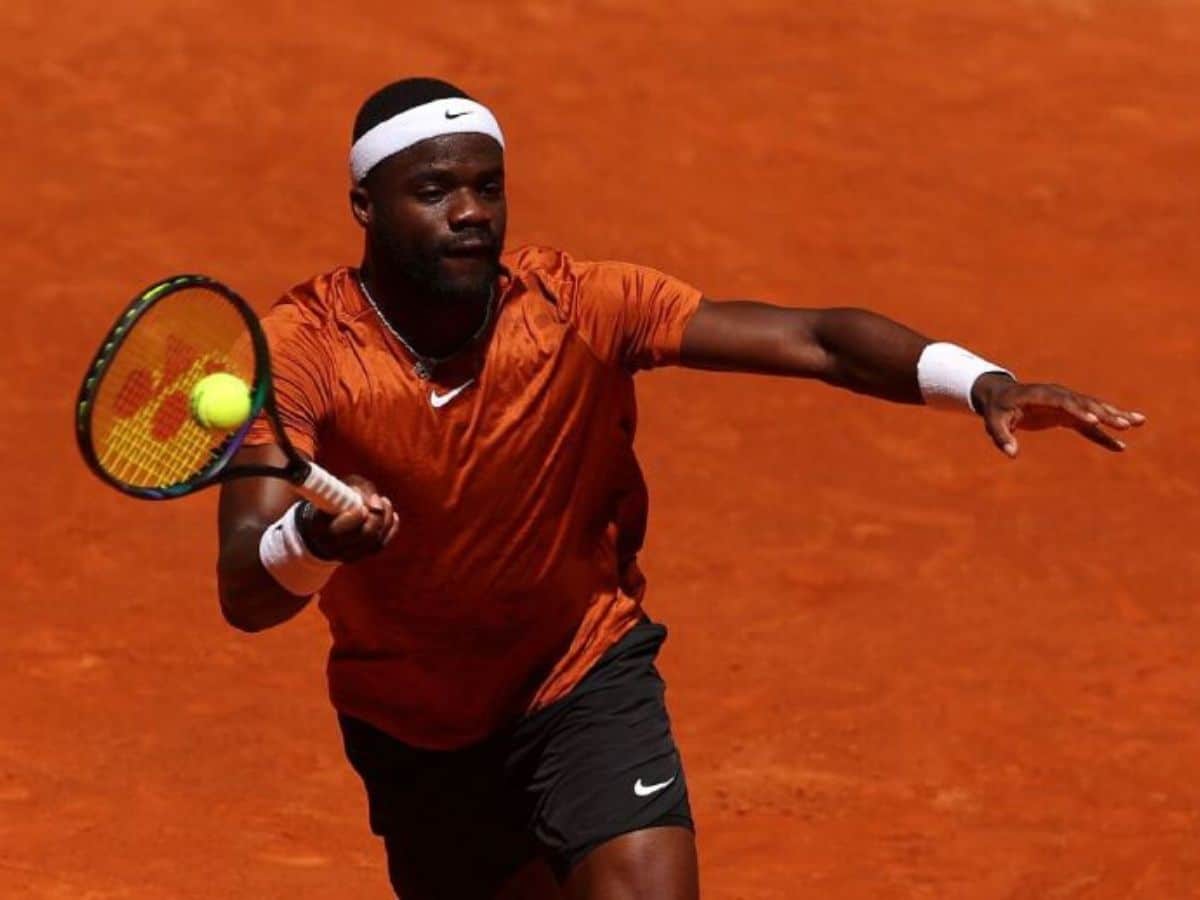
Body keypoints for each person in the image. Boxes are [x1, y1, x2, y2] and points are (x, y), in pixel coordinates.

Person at [216, 77, 1145, 900]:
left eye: (486, 187)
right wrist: (313, 542)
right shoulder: (298, 351)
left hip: (581, 676)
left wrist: (982, 380)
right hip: (416, 725)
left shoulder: (575, 305)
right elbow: (246, 592)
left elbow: (817, 339)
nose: (471, 213)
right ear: (363, 206)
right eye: (434, 191)